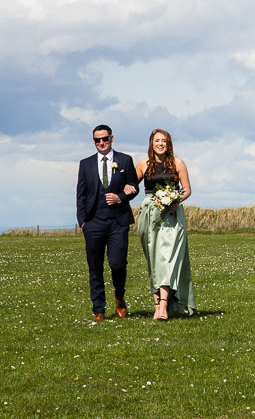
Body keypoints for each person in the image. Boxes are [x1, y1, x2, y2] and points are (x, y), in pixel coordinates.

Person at [75, 124, 139, 322]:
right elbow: (81, 194)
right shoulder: (85, 164)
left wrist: (120, 197)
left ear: (112, 138)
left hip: (118, 222)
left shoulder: (125, 160)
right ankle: (99, 309)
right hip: (93, 223)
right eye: (97, 140)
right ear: (93, 141)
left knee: (117, 263)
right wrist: (83, 221)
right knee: (95, 266)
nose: (101, 143)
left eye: (104, 139)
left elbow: (134, 187)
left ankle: (119, 297)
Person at [134, 128, 196, 321]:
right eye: (157, 141)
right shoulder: (143, 164)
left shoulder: (178, 163)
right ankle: (157, 305)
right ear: (151, 144)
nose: (160, 144)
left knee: (167, 259)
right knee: (153, 259)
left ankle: (163, 306)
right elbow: (130, 185)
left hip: (172, 216)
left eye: (164, 141)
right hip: (150, 215)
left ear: (169, 144)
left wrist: (175, 200)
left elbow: (187, 190)